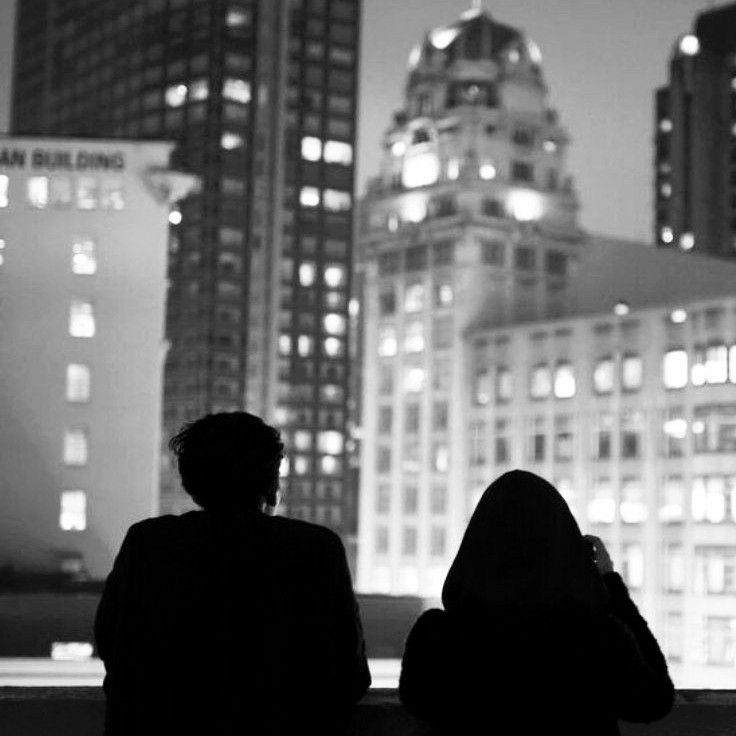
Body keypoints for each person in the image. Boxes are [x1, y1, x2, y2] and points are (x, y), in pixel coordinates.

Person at [95, 411, 370, 736]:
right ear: (270, 483)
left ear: (191, 483)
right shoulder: (316, 550)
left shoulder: (147, 544)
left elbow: (112, 643)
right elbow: (349, 676)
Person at [399, 470, 674, 736]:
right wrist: (611, 584)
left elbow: (417, 702)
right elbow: (654, 700)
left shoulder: (438, 636)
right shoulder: (598, 640)